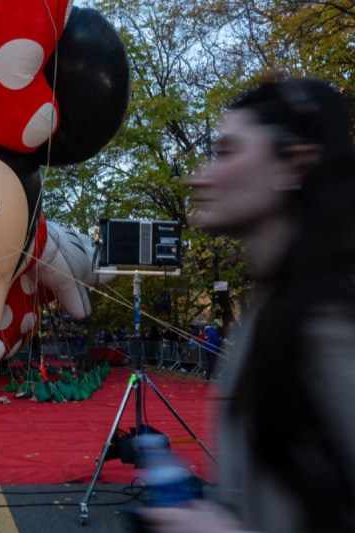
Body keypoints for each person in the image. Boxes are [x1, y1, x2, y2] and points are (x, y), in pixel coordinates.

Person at [142, 75, 355, 532]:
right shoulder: (271, 307)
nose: (199, 178)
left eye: (227, 153)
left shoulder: (334, 316)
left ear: (293, 164)